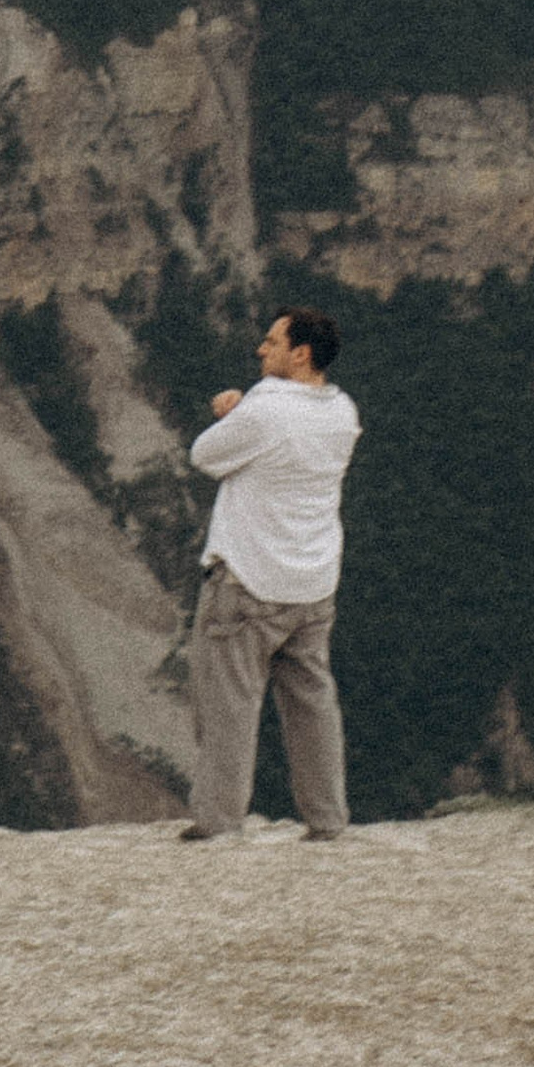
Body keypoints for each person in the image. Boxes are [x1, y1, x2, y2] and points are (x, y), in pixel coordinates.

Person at [182, 308, 361, 842]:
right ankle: (327, 819)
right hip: (313, 582)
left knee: (230, 704)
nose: (261, 350)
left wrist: (232, 413)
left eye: (271, 342)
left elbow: (204, 456)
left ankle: (219, 821)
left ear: (299, 353)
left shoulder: (266, 408)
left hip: (250, 580)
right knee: (312, 703)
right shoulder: (343, 411)